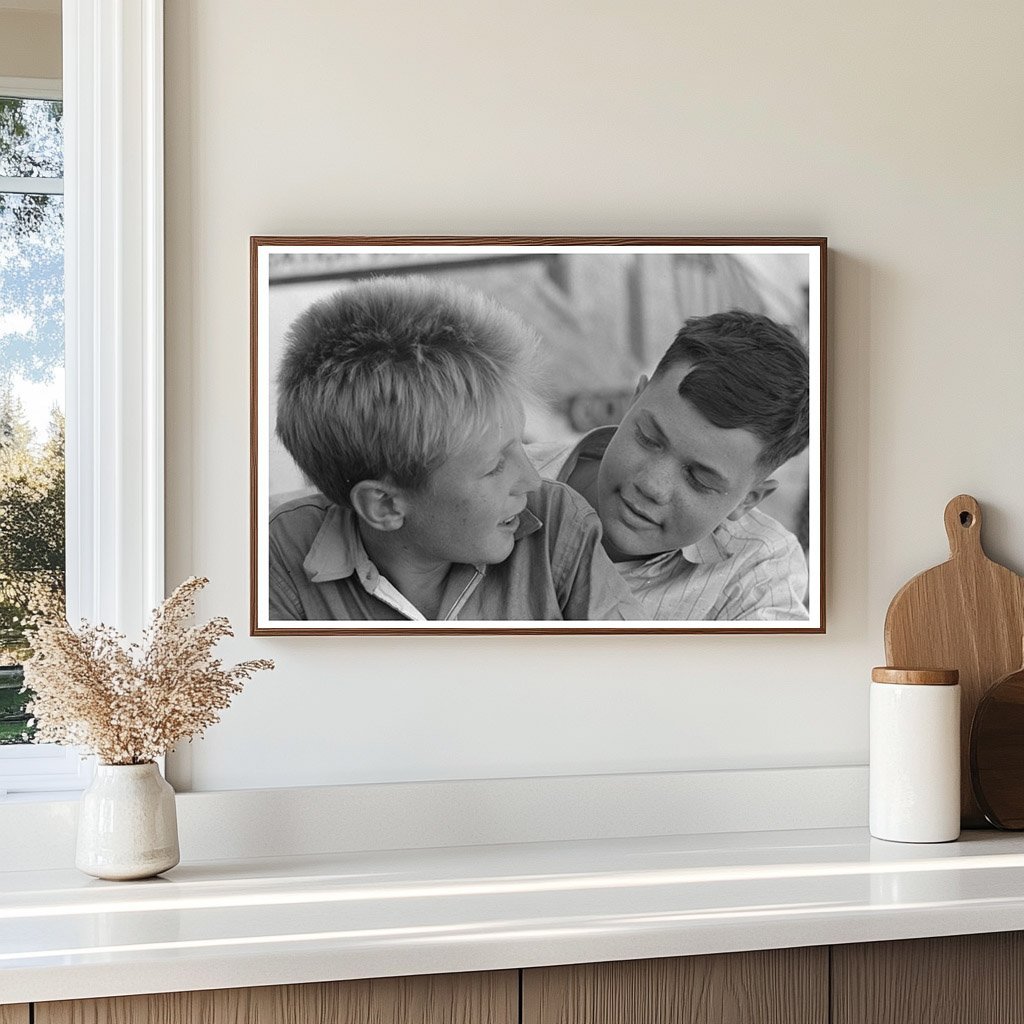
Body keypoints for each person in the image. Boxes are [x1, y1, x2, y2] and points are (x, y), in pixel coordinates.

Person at [269, 276, 642, 622]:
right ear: (384, 505)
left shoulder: (559, 527)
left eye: (521, 445)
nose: (531, 479)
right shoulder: (276, 558)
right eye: (495, 465)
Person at [528, 310, 811, 621]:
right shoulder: (498, 479)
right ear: (634, 400)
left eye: (699, 480)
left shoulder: (758, 572)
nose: (652, 485)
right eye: (648, 438)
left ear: (748, 499)